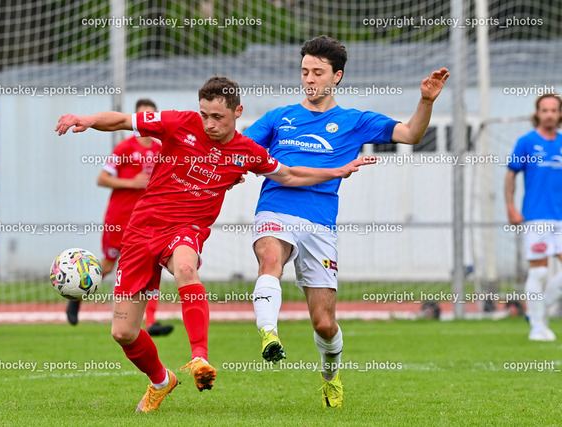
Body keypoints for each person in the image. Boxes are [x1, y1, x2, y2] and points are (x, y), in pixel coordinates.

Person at [55, 75, 376, 413]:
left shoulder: (246, 152)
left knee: (184, 267)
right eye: (204, 115)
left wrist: (338, 170)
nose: (208, 123)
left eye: (217, 117)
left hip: (186, 229)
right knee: (123, 332)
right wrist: (86, 120)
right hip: (141, 230)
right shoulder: (179, 123)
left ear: (238, 111)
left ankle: (200, 358)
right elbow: (123, 120)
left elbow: (291, 175)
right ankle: (161, 381)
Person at [242, 35, 449, 408]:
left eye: (318, 72)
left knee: (323, 323)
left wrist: (425, 101)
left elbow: (410, 134)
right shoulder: (279, 117)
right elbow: (242, 150)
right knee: (269, 260)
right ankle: (269, 335)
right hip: (274, 209)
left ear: (336, 76)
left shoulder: (355, 121)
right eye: (305, 70)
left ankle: (330, 375)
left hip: (320, 224)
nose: (309, 78)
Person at [66, 99, 174, 337]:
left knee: (153, 263)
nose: (146, 120)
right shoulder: (125, 148)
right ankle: (78, 295)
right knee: (108, 264)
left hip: (147, 220)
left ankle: (151, 320)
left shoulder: (160, 150)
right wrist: (131, 183)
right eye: (141, 116)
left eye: (151, 116)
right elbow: (102, 178)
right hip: (120, 217)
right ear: (136, 119)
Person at [505, 93, 562, 342]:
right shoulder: (526, 142)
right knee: (538, 273)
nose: (549, 114)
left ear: (560, 114)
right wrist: (510, 206)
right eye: (544, 110)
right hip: (536, 217)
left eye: (554, 110)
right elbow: (510, 175)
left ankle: (539, 312)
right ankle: (537, 326)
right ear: (537, 113)